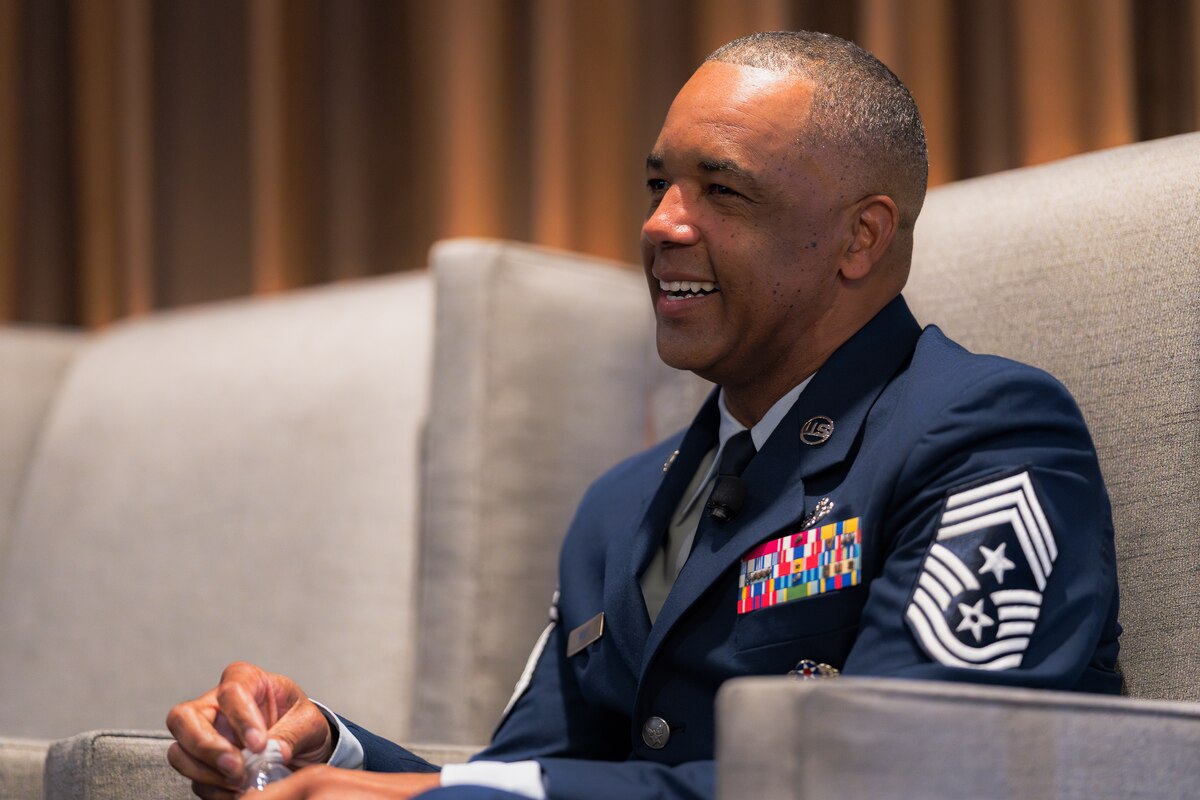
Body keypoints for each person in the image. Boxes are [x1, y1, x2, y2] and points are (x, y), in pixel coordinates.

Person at [166, 30, 1121, 800]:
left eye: (723, 190)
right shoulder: (623, 505)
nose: (662, 222)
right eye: (659, 183)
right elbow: (531, 770)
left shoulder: (983, 435)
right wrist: (319, 753)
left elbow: (912, 777)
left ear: (860, 238)